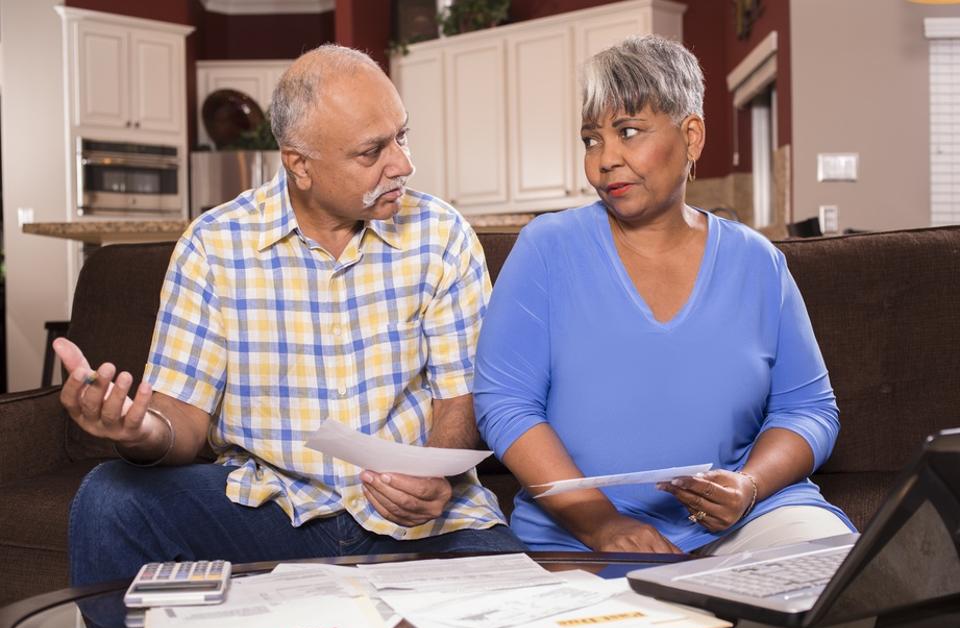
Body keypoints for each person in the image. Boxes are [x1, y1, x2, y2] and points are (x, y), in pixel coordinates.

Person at [57, 44, 523, 588]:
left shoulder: (441, 234)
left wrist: (434, 472)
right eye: (372, 151)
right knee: (110, 498)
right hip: (266, 508)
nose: (403, 164)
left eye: (402, 135)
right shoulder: (214, 245)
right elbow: (178, 423)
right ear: (300, 164)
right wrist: (137, 431)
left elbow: (460, 397)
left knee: (518, 604)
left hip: (421, 518)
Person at [473, 35, 854, 556]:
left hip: (745, 523)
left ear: (691, 136)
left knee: (838, 570)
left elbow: (808, 409)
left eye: (628, 132)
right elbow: (506, 405)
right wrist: (601, 525)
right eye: (591, 139)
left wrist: (750, 487)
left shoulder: (758, 262)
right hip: (577, 533)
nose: (604, 160)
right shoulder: (547, 248)